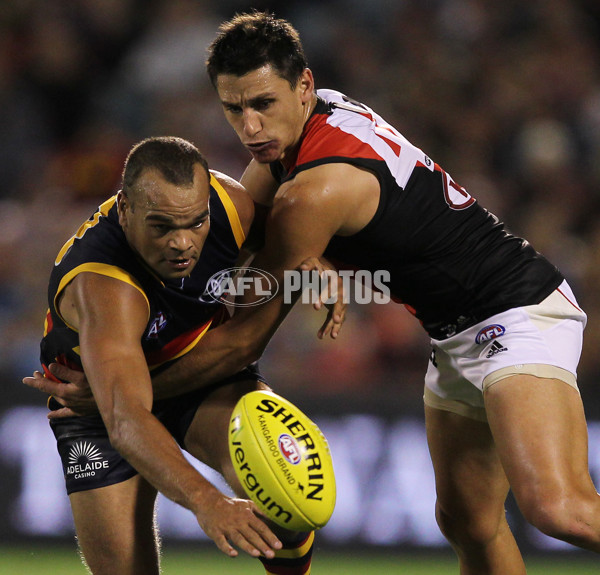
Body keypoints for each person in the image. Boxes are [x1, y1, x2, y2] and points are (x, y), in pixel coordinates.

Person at [25, 11, 599, 574]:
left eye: (263, 105)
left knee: (558, 509)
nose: (250, 128)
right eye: (234, 109)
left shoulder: (308, 197)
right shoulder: (315, 125)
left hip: (514, 311)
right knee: (468, 522)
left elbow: (243, 342)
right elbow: (259, 242)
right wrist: (311, 257)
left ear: (303, 87)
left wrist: (115, 394)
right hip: (455, 335)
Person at [29, 135, 328, 575]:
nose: (183, 243)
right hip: (98, 403)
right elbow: (127, 418)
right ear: (125, 208)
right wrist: (208, 502)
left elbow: (297, 240)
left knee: (287, 494)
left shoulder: (230, 207)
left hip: (200, 372)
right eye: (163, 227)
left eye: (194, 223)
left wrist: (320, 262)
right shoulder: (103, 285)